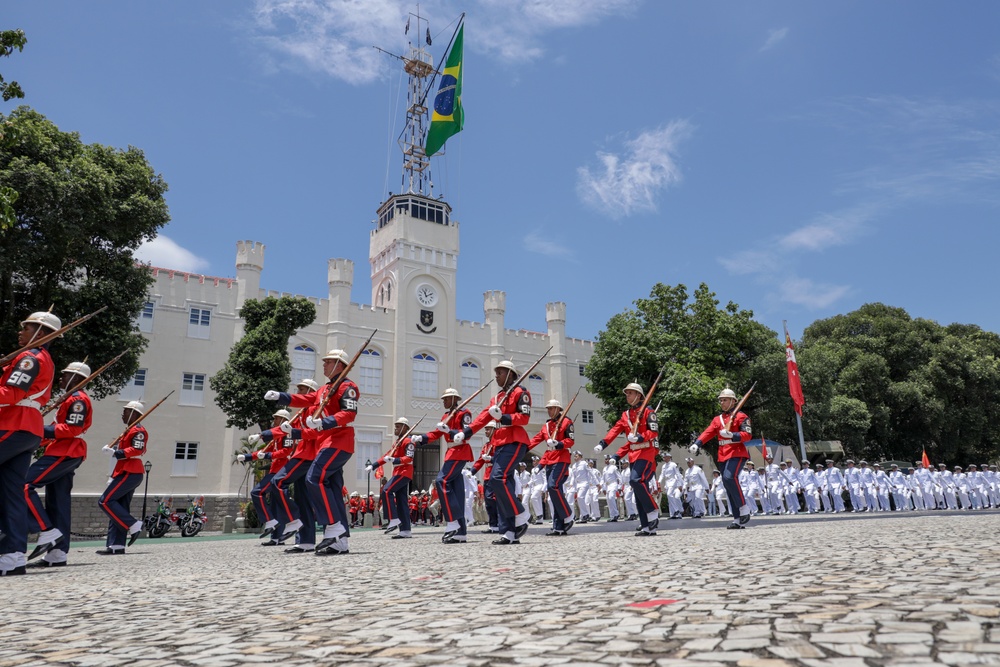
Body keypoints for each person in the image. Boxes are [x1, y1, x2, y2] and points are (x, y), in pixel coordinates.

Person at [268, 349, 358, 556]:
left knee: (313, 479)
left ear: (340, 365)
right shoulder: (325, 389)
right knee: (334, 491)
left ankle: (333, 525)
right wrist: (281, 397)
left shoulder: (347, 387)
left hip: (338, 442)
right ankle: (340, 542)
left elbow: (349, 414)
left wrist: (324, 422)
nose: (324, 365)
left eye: (328, 362)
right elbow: (304, 400)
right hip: (326, 443)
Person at [0, 312, 59, 575]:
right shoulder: (38, 358)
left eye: (27, 328)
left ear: (41, 333)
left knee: (11, 492)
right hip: (27, 429)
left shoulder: (29, 358)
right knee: (11, 492)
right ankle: (12, 555)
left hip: (13, 423)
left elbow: (12, 393)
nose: (20, 332)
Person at [26, 360, 92, 567]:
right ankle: (57, 554)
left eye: (66, 375)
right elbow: (58, 428)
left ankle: (47, 530)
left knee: (24, 485)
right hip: (62, 450)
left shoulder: (78, 400)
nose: (61, 378)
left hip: (66, 452)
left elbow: (72, 429)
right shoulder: (69, 399)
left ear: (77, 378)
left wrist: (39, 427)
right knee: (59, 502)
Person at [459, 360, 532, 545]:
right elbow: (484, 416)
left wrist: (504, 417)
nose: (497, 376)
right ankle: (509, 532)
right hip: (500, 442)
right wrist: (466, 432)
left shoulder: (520, 392)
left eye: (500, 372)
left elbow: (524, 418)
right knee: (501, 485)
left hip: (515, 441)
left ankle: (521, 513)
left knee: (497, 479)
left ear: (510, 374)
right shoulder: (497, 397)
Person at [594, 381, 660, 536]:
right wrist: (602, 444)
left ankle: (652, 511)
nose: (627, 395)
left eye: (630, 393)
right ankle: (647, 526)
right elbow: (615, 430)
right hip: (634, 455)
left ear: (638, 395)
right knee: (637, 490)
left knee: (635, 481)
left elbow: (654, 432)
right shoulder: (626, 415)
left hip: (646, 453)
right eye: (627, 393)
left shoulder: (648, 412)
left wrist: (640, 437)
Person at [261, 381, 319, 552]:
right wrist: (262, 435)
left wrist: (295, 432)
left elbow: (314, 433)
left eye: (301, 390)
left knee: (277, 483)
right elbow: (283, 431)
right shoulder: (301, 412)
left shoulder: (315, 410)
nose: (298, 392)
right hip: (301, 454)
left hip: (307, 455)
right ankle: (306, 542)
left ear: (310, 392)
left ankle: (293, 519)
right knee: (303, 500)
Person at [411, 387, 474, 543]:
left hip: (460, 452)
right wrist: (422, 438)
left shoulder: (464, 413)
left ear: (454, 399)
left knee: (442, 480)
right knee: (458, 491)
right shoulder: (446, 415)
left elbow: (466, 434)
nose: (444, 401)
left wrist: (450, 431)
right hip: (451, 453)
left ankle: (452, 521)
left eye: (446, 398)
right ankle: (461, 533)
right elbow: (437, 433)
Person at [690, 388, 753, 529]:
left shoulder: (741, 416)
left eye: (725, 400)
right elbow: (708, 432)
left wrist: (733, 435)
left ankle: (744, 507)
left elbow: (747, 435)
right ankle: (737, 518)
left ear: (733, 401)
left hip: (737, 452)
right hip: (723, 454)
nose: (722, 402)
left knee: (730, 477)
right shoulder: (717, 419)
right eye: (721, 400)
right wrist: (697, 443)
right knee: (727, 483)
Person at [97, 400, 148, 555]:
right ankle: (116, 545)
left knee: (105, 501)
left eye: (126, 411)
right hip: (124, 471)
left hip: (131, 472)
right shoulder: (129, 430)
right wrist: (113, 476)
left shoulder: (138, 431)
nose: (123, 414)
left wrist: (115, 453)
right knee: (119, 507)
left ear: (134, 413)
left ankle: (133, 524)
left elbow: (137, 449)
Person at [242, 407, 293, 545]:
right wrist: (246, 457)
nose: (274, 420)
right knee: (277, 505)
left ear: (284, 420)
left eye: (277, 418)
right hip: (275, 471)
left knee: (257, 492)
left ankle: (270, 521)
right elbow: (262, 452)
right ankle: (276, 538)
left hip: (281, 471)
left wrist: (268, 455)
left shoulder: (287, 434)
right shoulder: (276, 437)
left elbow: (285, 452)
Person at [530, 400, 575, 536]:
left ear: (558, 409)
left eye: (551, 408)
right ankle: (558, 527)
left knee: (552, 486)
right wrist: (523, 448)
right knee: (555, 493)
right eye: (548, 408)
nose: (549, 411)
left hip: (561, 459)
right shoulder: (547, 425)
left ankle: (568, 514)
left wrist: (559, 443)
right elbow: (537, 440)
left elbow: (571, 440)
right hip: (550, 460)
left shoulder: (567, 422)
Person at [368, 417, 415, 539]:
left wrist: (395, 460)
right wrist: (374, 465)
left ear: (405, 428)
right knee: (401, 502)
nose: (396, 428)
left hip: (404, 472)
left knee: (387, 490)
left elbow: (409, 458)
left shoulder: (408, 441)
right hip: (398, 472)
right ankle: (405, 530)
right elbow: (386, 456)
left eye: (398, 426)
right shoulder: (398, 442)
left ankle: (393, 519)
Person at [470, 421, 499, 533]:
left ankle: (498, 523)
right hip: (487, 475)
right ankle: (493, 525)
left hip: (495, 473)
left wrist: (491, 459)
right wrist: (472, 471)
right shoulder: (486, 445)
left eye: (488, 429)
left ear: (494, 430)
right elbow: (480, 461)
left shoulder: (498, 444)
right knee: (488, 500)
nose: (486, 431)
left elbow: (501, 458)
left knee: (493, 499)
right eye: (485, 429)